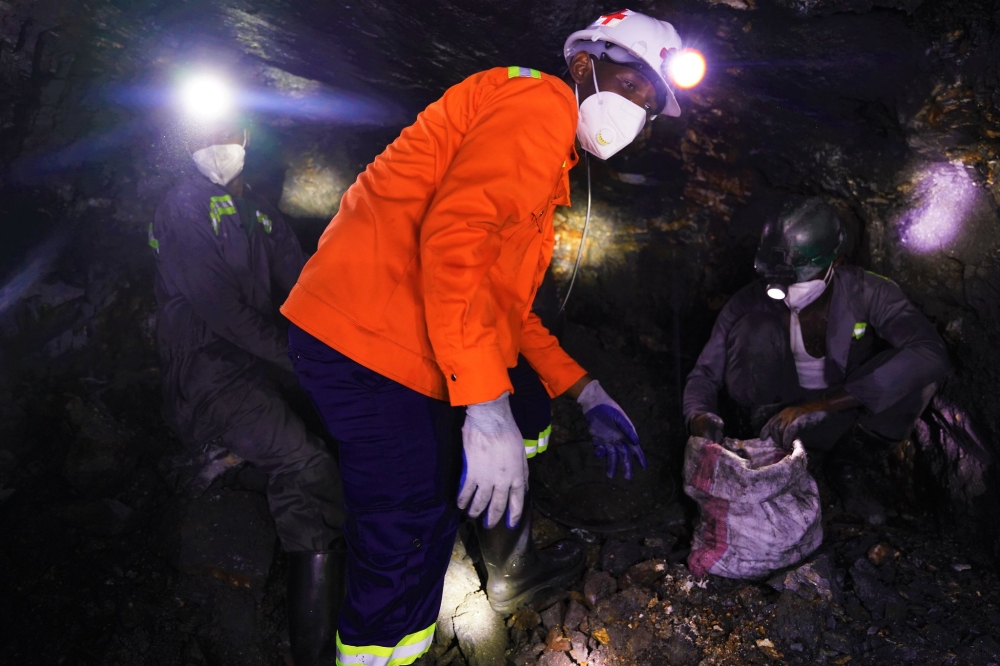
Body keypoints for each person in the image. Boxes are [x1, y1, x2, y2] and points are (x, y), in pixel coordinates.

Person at [281, 9, 687, 664]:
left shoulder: (546, 164)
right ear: (585, 63)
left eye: (650, 104)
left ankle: (505, 569)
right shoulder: (539, 101)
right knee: (410, 531)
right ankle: (374, 651)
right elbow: (454, 238)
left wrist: (585, 390)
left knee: (493, 440)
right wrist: (482, 403)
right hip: (370, 341)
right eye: (635, 84)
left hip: (400, 335)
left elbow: (508, 311)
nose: (639, 110)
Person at [149, 119, 346, 666]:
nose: (217, 144)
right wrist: (307, 361)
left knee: (346, 422)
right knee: (309, 467)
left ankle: (234, 461)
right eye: (203, 132)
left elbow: (307, 283)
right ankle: (314, 653)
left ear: (245, 138)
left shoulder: (260, 213)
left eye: (226, 130)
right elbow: (225, 315)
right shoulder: (182, 210)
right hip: (208, 375)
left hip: (257, 372)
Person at [684, 197, 951, 524]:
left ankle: (850, 468)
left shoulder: (867, 291)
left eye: (801, 276)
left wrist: (825, 404)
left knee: (917, 374)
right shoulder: (750, 302)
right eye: (779, 277)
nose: (787, 287)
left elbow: (930, 352)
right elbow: (704, 374)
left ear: (835, 262)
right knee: (755, 326)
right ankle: (760, 458)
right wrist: (700, 416)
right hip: (776, 421)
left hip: (846, 415)